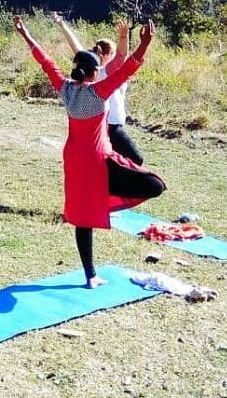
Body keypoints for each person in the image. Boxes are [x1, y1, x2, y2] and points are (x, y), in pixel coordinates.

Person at [14, 15, 166, 288]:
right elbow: (128, 68)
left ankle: (90, 275)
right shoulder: (98, 92)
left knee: (83, 217)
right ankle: (106, 199)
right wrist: (144, 44)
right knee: (155, 185)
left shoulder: (65, 88)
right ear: (94, 72)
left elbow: (45, 60)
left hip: (73, 158)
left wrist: (26, 35)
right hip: (97, 159)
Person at [54, 14, 143, 165]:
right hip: (112, 126)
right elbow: (122, 56)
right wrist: (123, 37)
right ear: (105, 54)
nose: (114, 57)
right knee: (135, 160)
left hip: (101, 126)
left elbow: (76, 48)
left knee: (112, 160)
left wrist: (63, 25)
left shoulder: (91, 69)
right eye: (112, 54)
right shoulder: (106, 71)